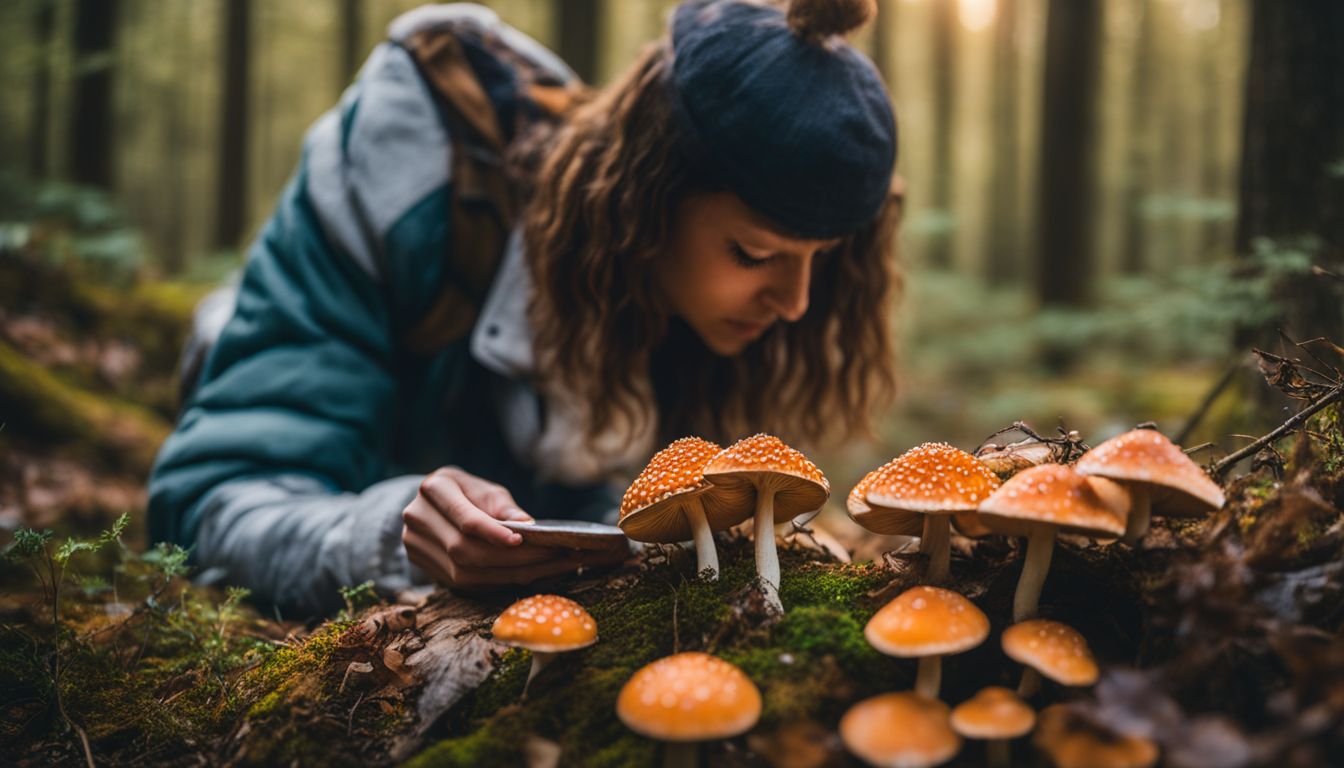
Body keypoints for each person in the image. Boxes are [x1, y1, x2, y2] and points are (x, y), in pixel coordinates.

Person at [147, 0, 901, 618]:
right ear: (647, 202)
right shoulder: (402, 189)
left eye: (821, 260)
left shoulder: (694, 311)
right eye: (755, 254)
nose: (797, 305)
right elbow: (206, 506)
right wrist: (392, 533)